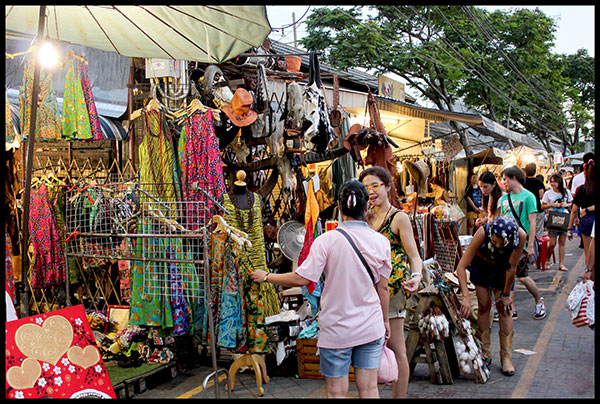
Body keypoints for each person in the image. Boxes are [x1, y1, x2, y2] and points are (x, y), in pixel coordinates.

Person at [250, 180, 392, 399]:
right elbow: (383, 288)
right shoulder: (381, 242)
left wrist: (267, 276)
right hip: (370, 325)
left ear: (339, 207)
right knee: (369, 388)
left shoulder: (326, 240)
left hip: (336, 327)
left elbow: (302, 277)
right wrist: (385, 321)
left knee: (336, 392)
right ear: (366, 207)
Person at [359, 166, 423, 399]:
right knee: (368, 348)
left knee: (397, 349)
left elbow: (414, 256)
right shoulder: (363, 217)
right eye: (366, 188)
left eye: (376, 185)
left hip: (393, 291)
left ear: (387, 186)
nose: (372, 191)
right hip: (365, 292)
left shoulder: (399, 217)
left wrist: (416, 277)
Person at [457, 216, 526, 376]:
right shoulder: (483, 231)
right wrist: (466, 297)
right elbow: (461, 266)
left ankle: (506, 357)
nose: (497, 245)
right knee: (484, 305)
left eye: (501, 243)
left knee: (505, 308)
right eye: (494, 242)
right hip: (482, 265)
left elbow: (512, 267)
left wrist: (506, 294)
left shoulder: (520, 236)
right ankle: (485, 353)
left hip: (504, 269)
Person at [499, 165, 546, 320]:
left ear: (514, 178)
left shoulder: (528, 197)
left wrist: (531, 245)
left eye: (505, 179)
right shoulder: (505, 198)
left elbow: (533, 222)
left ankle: (539, 301)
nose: (503, 182)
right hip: (507, 245)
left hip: (523, 245)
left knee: (522, 277)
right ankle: (511, 308)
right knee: (509, 275)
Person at [568, 157, 595, 274]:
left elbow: (574, 210)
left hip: (586, 222)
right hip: (589, 219)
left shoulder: (582, 189)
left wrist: (569, 228)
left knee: (589, 254)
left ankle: (590, 276)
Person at [541, 174, 573, 271]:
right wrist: (552, 204)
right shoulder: (548, 193)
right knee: (552, 243)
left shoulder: (566, 192)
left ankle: (561, 264)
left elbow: (572, 203)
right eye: (551, 181)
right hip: (553, 219)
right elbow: (542, 206)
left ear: (559, 182)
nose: (552, 184)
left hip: (564, 218)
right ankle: (547, 259)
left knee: (562, 242)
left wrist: (566, 204)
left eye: (555, 181)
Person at [523, 163, 546, 240]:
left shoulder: (523, 182)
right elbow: (541, 195)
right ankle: (538, 247)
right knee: (538, 230)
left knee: (527, 229)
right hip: (537, 208)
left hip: (525, 209)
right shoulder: (538, 182)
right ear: (535, 171)